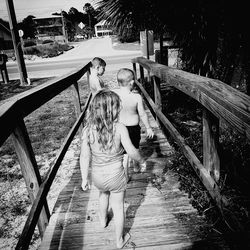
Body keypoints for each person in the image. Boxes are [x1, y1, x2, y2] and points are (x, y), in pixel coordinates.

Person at [80, 89, 146, 249]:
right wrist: (141, 160)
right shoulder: (120, 128)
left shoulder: (88, 130)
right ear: (114, 110)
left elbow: (84, 156)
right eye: (118, 107)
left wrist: (84, 178)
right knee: (118, 207)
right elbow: (131, 150)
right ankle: (119, 240)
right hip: (116, 175)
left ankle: (102, 221)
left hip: (97, 175)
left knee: (103, 195)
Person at [112, 68, 154, 179]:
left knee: (123, 153)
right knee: (134, 148)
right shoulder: (136, 97)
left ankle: (125, 176)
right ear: (132, 82)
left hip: (119, 128)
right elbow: (142, 114)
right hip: (133, 129)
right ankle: (136, 167)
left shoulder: (114, 95)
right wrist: (148, 127)